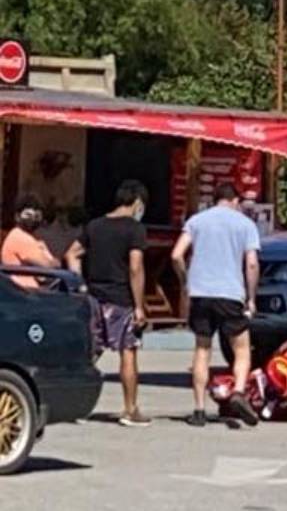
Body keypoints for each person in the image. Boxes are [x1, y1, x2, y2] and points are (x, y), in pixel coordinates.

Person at [171, 183, 261, 428]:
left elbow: (176, 254)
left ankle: (199, 409)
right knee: (242, 349)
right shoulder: (245, 225)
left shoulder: (197, 221)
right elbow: (251, 263)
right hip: (231, 294)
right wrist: (251, 297)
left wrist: (185, 280)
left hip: (200, 293)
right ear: (235, 201)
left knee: (202, 350)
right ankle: (239, 393)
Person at [65, 181, 151, 427]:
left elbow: (72, 254)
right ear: (137, 203)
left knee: (91, 352)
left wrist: (80, 283)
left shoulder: (94, 226)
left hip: (94, 297)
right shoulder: (135, 230)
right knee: (128, 352)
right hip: (121, 299)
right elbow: (136, 267)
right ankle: (130, 409)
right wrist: (139, 306)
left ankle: (74, 406)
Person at [1, 194, 60, 289]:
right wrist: (51, 258)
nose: (32, 219)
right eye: (28, 215)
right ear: (17, 217)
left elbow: (43, 277)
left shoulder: (21, 236)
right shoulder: (21, 238)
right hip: (24, 293)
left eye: (36, 216)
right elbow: (49, 267)